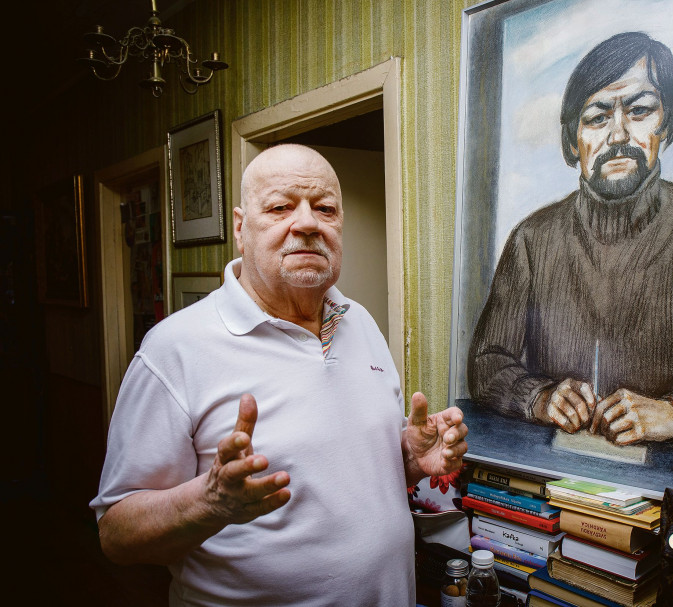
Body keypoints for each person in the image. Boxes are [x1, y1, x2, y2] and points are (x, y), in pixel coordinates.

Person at [90, 144, 469, 606]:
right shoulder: (175, 348)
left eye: (325, 208)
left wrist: (410, 456)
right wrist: (209, 503)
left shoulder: (359, 321)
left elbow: (356, 472)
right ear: (240, 228)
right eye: (280, 207)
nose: (308, 223)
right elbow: (116, 534)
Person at [467, 32, 673, 451]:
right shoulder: (532, 239)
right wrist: (538, 397)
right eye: (596, 117)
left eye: (640, 110)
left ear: (667, 123)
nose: (618, 135)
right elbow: (486, 363)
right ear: (572, 141)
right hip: (556, 476)